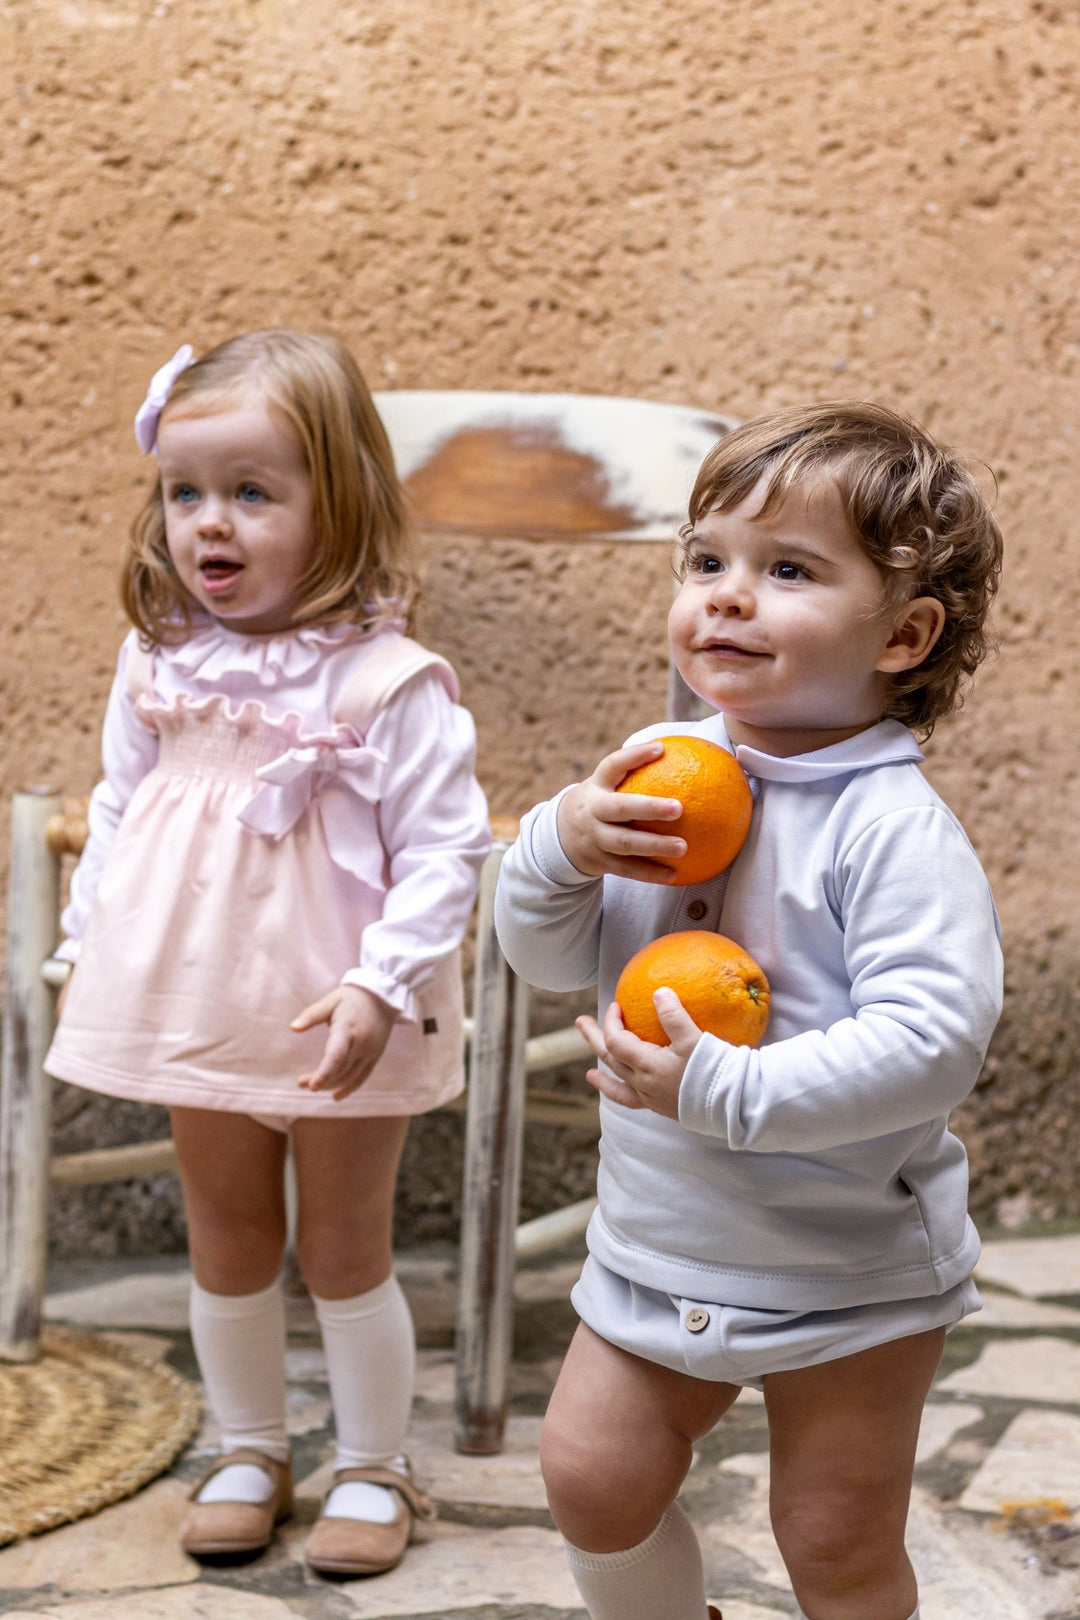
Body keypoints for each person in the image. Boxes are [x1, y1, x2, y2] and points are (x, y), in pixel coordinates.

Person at [494, 401, 1004, 1620]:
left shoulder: (892, 829)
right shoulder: (652, 769)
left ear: (905, 635)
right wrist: (558, 850)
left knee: (834, 1543)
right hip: (657, 1242)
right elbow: (548, 959)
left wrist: (727, 1089)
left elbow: (933, 1041)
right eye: (706, 561)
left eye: (787, 571)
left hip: (848, 1271)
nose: (726, 596)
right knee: (591, 1478)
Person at [46, 330, 491, 1575]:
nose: (209, 522)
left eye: (251, 492)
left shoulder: (389, 683)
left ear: (335, 504)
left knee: (344, 1249)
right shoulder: (158, 657)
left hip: (338, 1009)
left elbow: (445, 851)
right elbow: (122, 805)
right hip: (197, 997)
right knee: (228, 1236)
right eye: (185, 491)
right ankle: (248, 1448)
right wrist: (94, 941)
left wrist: (379, 984)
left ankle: (373, 1463)